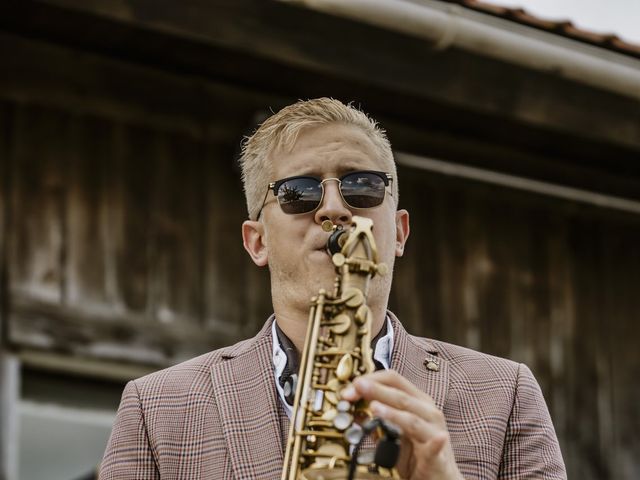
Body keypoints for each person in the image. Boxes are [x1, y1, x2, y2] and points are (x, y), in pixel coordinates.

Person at [99, 98, 566, 479]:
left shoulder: (505, 392)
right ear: (257, 241)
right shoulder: (156, 406)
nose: (334, 209)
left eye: (362, 186)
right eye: (298, 192)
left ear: (400, 232)